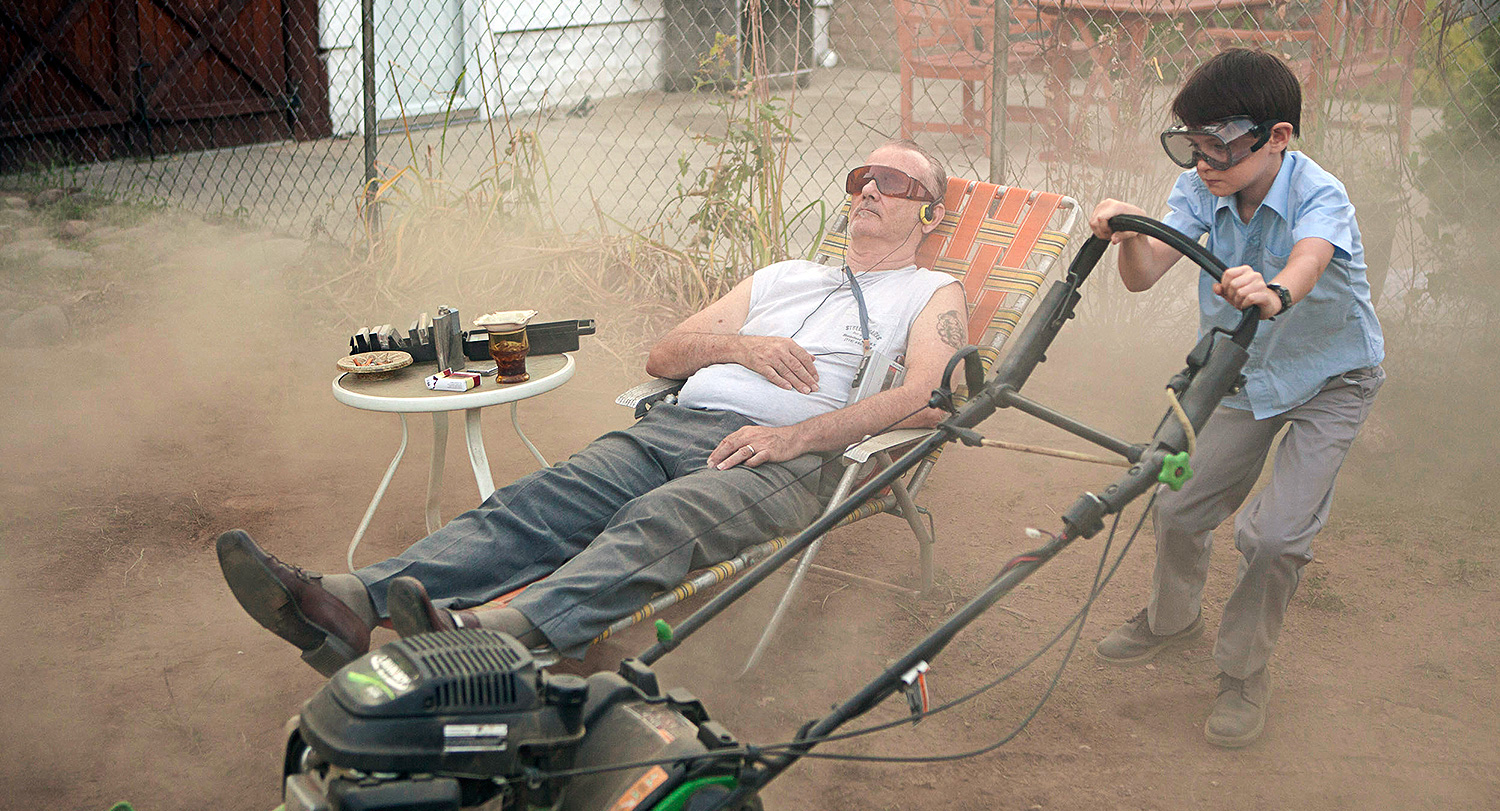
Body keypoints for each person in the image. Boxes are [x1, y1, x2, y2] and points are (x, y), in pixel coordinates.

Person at [217, 139, 969, 676]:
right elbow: (664, 355)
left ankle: (496, 632)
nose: (869, 189)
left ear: (929, 217)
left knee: (659, 521)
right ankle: (349, 600)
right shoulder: (784, 276)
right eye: (862, 176)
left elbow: (934, 399)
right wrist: (742, 347)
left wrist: (797, 436)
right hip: (676, 423)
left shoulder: (930, 292)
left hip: (779, 455)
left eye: (894, 182)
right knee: (541, 500)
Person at [1087, 48, 1385, 748]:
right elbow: (1142, 274)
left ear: (1276, 136)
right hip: (1244, 376)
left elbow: (1310, 257)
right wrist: (1129, 231)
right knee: (1177, 504)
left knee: (1274, 537)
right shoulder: (1201, 188)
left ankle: (1244, 672)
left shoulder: (1320, 193)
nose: (1202, 160)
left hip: (1333, 379)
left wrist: (1274, 290)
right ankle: (1172, 621)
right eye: (1190, 143)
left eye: (1218, 143)